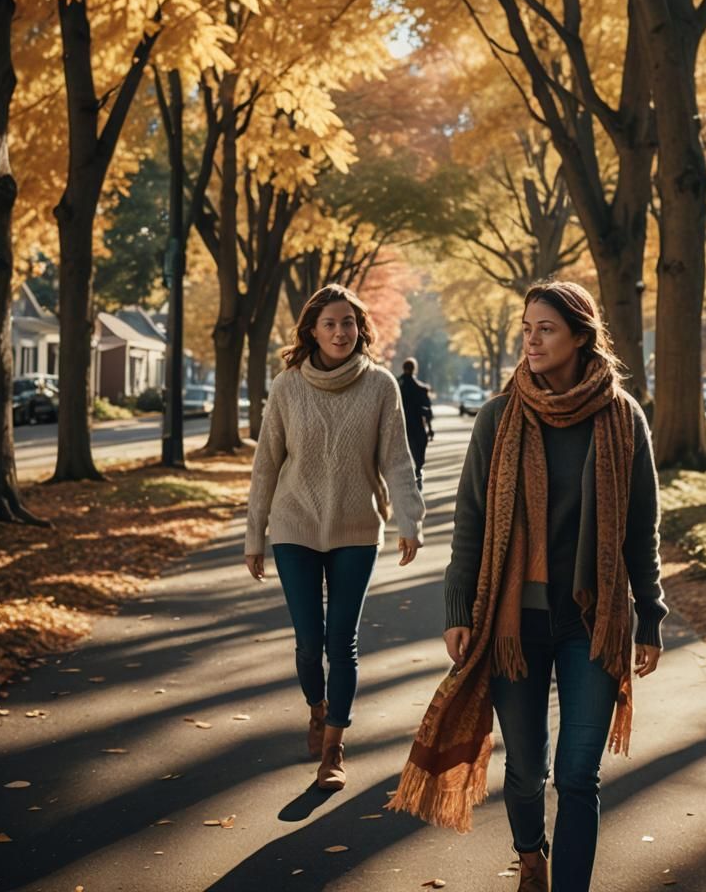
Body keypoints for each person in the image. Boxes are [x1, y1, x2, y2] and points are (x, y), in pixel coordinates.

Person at [389, 281, 666, 892]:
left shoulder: (623, 418)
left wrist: (650, 615)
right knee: (525, 771)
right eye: (526, 327)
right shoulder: (499, 416)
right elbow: (471, 520)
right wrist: (459, 606)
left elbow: (640, 527)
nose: (531, 340)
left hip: (592, 623)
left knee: (577, 775)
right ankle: (530, 853)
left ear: (580, 337)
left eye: (545, 328)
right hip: (515, 620)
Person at [245, 284, 425, 792]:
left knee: (340, 642)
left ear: (359, 327)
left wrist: (409, 520)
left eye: (348, 322)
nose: (341, 332)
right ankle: (317, 707)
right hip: (294, 527)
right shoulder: (286, 387)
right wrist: (254, 533)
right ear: (312, 331)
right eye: (330, 324)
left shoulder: (381, 385)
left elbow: (397, 459)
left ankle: (333, 749)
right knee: (308, 643)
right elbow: (266, 464)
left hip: (355, 529)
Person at [397, 357, 434, 490]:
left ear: (403, 368)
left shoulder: (395, 385)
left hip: (399, 425)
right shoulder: (421, 388)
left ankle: (407, 475)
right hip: (417, 425)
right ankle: (418, 471)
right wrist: (430, 428)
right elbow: (427, 411)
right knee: (419, 447)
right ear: (414, 369)